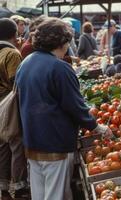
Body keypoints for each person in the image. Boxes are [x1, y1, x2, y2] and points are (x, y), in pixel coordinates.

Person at [15, 18, 112, 200]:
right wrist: (96, 127)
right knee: (54, 194)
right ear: (62, 42)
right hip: (55, 142)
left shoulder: (26, 63)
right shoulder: (60, 68)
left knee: (40, 193)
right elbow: (75, 106)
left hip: (31, 140)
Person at [0, 18, 29, 200]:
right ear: (15, 34)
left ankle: (3, 187)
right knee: (16, 143)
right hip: (9, 105)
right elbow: (17, 85)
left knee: (2, 145)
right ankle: (18, 188)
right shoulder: (12, 54)